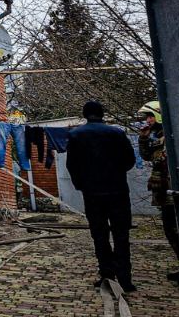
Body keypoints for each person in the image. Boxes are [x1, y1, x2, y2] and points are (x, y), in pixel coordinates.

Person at [66, 100, 137, 292]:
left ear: (85, 114)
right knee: (121, 235)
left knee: (100, 235)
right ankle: (125, 278)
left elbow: (72, 165)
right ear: (102, 114)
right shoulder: (118, 133)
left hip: (93, 193)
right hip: (118, 191)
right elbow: (130, 160)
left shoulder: (75, 135)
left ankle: (107, 275)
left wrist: (81, 185)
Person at [137, 100, 179, 285]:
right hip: (163, 192)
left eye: (149, 116)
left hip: (170, 192)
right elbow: (147, 156)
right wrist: (143, 138)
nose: (147, 120)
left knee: (174, 230)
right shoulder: (158, 137)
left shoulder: (169, 139)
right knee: (170, 231)